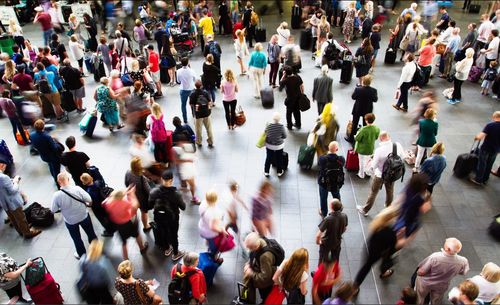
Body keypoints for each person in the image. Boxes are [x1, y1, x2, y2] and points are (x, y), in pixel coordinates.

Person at [357, 132, 405, 216]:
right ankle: (388, 208)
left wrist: (372, 161)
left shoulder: (379, 150)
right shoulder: (397, 145)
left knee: (373, 192)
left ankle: (365, 210)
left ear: (380, 139)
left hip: (380, 175)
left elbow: (374, 166)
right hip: (392, 174)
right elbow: (403, 157)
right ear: (389, 137)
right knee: (390, 191)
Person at [51, 171, 97, 259]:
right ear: (68, 179)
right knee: (91, 234)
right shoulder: (77, 189)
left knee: (77, 239)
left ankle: (82, 255)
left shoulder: (56, 195)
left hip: (70, 221)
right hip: (83, 216)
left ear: (58, 182)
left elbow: (54, 210)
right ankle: (96, 250)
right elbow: (89, 199)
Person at [354, 207, 401, 291]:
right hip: (378, 253)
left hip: (370, 249)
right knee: (369, 267)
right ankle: (355, 286)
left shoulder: (377, 224)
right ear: (390, 219)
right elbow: (393, 247)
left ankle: (355, 286)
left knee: (365, 267)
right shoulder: (391, 233)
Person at [415, 238, 469, 305]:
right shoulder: (463, 261)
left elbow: (422, 271)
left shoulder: (435, 257)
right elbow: (463, 272)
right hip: (442, 285)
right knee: (436, 300)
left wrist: (418, 273)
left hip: (426, 282)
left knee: (420, 296)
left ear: (448, 249)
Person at [149, 170, 186, 260]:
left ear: (162, 179)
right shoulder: (176, 194)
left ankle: (167, 249)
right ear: (171, 180)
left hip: (158, 217)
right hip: (172, 218)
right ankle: (176, 253)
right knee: (173, 235)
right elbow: (183, 207)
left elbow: (150, 205)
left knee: (163, 232)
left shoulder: (154, 191)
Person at [103, 188, 149, 260]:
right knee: (136, 235)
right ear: (121, 197)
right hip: (128, 223)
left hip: (118, 225)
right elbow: (135, 205)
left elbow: (104, 202)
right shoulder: (124, 202)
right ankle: (142, 248)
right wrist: (132, 194)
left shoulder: (108, 203)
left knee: (124, 242)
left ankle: (126, 258)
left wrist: (124, 192)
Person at [0, 160, 41, 238]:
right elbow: (13, 190)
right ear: (1, 165)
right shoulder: (3, 177)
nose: (5, 168)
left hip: (3, 201)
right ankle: (27, 233)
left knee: (13, 219)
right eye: (4, 166)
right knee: (21, 218)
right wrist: (16, 181)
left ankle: (20, 231)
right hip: (12, 202)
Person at [393, 174, 432, 244]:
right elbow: (424, 209)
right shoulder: (419, 198)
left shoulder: (408, 188)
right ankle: (400, 242)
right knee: (407, 232)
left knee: (398, 227)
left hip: (403, 212)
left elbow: (401, 198)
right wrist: (428, 201)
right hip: (410, 218)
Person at [243, 232, 280, 303]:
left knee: (265, 296)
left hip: (266, 284)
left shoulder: (265, 257)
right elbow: (254, 256)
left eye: (250, 248)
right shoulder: (260, 241)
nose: (249, 250)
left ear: (256, 247)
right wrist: (248, 263)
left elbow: (265, 277)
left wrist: (250, 273)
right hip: (263, 271)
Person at [78, 240, 114, 304]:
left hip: (89, 287)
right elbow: (108, 277)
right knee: (107, 301)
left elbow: (81, 273)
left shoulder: (83, 259)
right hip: (101, 287)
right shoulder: (102, 262)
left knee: (94, 301)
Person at [471, 111, 500, 185]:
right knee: (490, 163)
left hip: (486, 148)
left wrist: (476, 137)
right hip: (496, 149)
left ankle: (478, 179)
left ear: (495, 117)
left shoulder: (490, 125)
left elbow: (480, 136)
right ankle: (485, 179)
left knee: (482, 163)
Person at [317, 141, 345, 217]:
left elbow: (319, 166)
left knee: (323, 198)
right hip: (336, 183)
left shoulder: (322, 159)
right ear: (337, 149)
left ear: (328, 148)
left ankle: (324, 212)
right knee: (336, 196)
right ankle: (338, 209)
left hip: (324, 183)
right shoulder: (341, 159)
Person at [30, 119, 62, 184]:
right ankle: (58, 182)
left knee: (50, 166)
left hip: (44, 155)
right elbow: (55, 148)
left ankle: (54, 178)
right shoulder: (46, 136)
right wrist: (56, 142)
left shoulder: (32, 135)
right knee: (56, 170)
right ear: (43, 127)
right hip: (53, 157)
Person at [124, 157, 152, 232]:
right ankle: (146, 226)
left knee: (134, 212)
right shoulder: (141, 177)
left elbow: (126, 183)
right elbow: (148, 191)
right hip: (142, 200)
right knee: (144, 212)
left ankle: (134, 227)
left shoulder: (128, 172)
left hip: (132, 197)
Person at [349, 75, 378, 143]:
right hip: (367, 110)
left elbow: (353, 97)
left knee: (354, 124)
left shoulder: (358, 89)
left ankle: (351, 139)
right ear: (370, 82)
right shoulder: (373, 90)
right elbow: (375, 100)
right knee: (365, 125)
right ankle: (364, 139)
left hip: (357, 109)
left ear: (363, 81)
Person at [198, 190, 226, 256]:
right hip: (210, 233)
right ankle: (212, 255)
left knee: (208, 239)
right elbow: (213, 227)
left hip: (202, 227)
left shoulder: (203, 204)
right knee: (213, 247)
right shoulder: (216, 212)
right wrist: (222, 230)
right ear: (216, 199)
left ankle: (207, 242)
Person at [354, 113, 380, 179]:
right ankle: (368, 172)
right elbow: (376, 137)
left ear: (366, 120)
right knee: (368, 161)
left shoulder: (363, 130)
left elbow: (357, 138)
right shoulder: (376, 128)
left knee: (361, 162)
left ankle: (361, 174)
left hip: (362, 149)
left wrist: (355, 135)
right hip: (370, 148)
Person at [190, 80, 214, 148]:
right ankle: (210, 141)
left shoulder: (193, 94)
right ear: (201, 86)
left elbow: (191, 104)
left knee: (198, 129)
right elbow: (210, 102)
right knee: (209, 128)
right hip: (206, 113)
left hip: (198, 114)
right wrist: (208, 109)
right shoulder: (205, 93)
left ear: (195, 86)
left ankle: (199, 142)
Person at [279, 66, 304, 130]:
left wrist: (283, 76)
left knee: (289, 113)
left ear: (285, 73)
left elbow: (280, 85)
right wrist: (302, 94)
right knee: (297, 112)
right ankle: (298, 124)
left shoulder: (286, 80)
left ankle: (289, 125)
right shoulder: (297, 77)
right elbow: (302, 86)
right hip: (297, 98)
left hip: (290, 99)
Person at [264, 112, 287, 177]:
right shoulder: (281, 126)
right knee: (279, 158)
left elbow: (265, 133)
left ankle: (266, 172)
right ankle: (279, 172)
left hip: (269, 145)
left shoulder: (268, 125)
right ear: (279, 119)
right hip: (278, 146)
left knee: (268, 158)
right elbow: (285, 136)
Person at [177, 57, 197, 124]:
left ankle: (185, 119)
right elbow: (195, 80)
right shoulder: (192, 70)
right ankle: (194, 115)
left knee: (183, 105)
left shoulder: (179, 71)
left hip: (183, 89)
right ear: (188, 62)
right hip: (191, 89)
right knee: (193, 104)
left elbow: (178, 81)